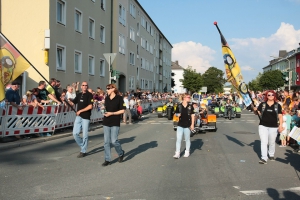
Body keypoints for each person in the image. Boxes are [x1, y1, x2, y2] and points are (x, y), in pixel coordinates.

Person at [253, 90, 283, 164]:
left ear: (274, 96)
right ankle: (264, 158)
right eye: (269, 95)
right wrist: (255, 110)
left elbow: (280, 116)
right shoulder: (262, 104)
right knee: (264, 142)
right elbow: (258, 113)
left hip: (274, 126)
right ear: (266, 96)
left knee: (272, 142)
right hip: (263, 126)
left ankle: (271, 154)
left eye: (272, 95)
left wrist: (281, 125)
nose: (270, 96)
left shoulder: (277, 105)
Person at [102, 84, 126, 166]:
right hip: (106, 121)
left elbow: (123, 111)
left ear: (113, 89)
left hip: (115, 122)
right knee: (106, 142)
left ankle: (121, 153)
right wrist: (103, 109)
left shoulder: (119, 98)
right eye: (106, 88)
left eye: (108, 88)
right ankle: (107, 159)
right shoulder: (107, 98)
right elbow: (106, 108)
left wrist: (112, 113)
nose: (107, 90)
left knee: (114, 141)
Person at [68, 81, 94, 158]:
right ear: (81, 87)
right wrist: (65, 100)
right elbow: (73, 102)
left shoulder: (90, 95)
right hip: (78, 117)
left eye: (86, 85)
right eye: (83, 85)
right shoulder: (79, 95)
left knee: (85, 135)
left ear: (87, 86)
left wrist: (80, 111)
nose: (84, 86)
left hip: (86, 117)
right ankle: (83, 146)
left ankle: (83, 151)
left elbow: (90, 106)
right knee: (75, 133)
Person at [173, 93, 195, 158]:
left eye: (189, 97)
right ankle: (177, 153)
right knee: (178, 139)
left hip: (187, 125)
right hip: (180, 124)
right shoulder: (179, 106)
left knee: (187, 139)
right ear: (184, 98)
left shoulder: (190, 106)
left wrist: (192, 124)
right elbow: (175, 113)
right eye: (188, 97)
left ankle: (187, 151)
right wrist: (177, 115)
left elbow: (193, 115)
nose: (189, 98)